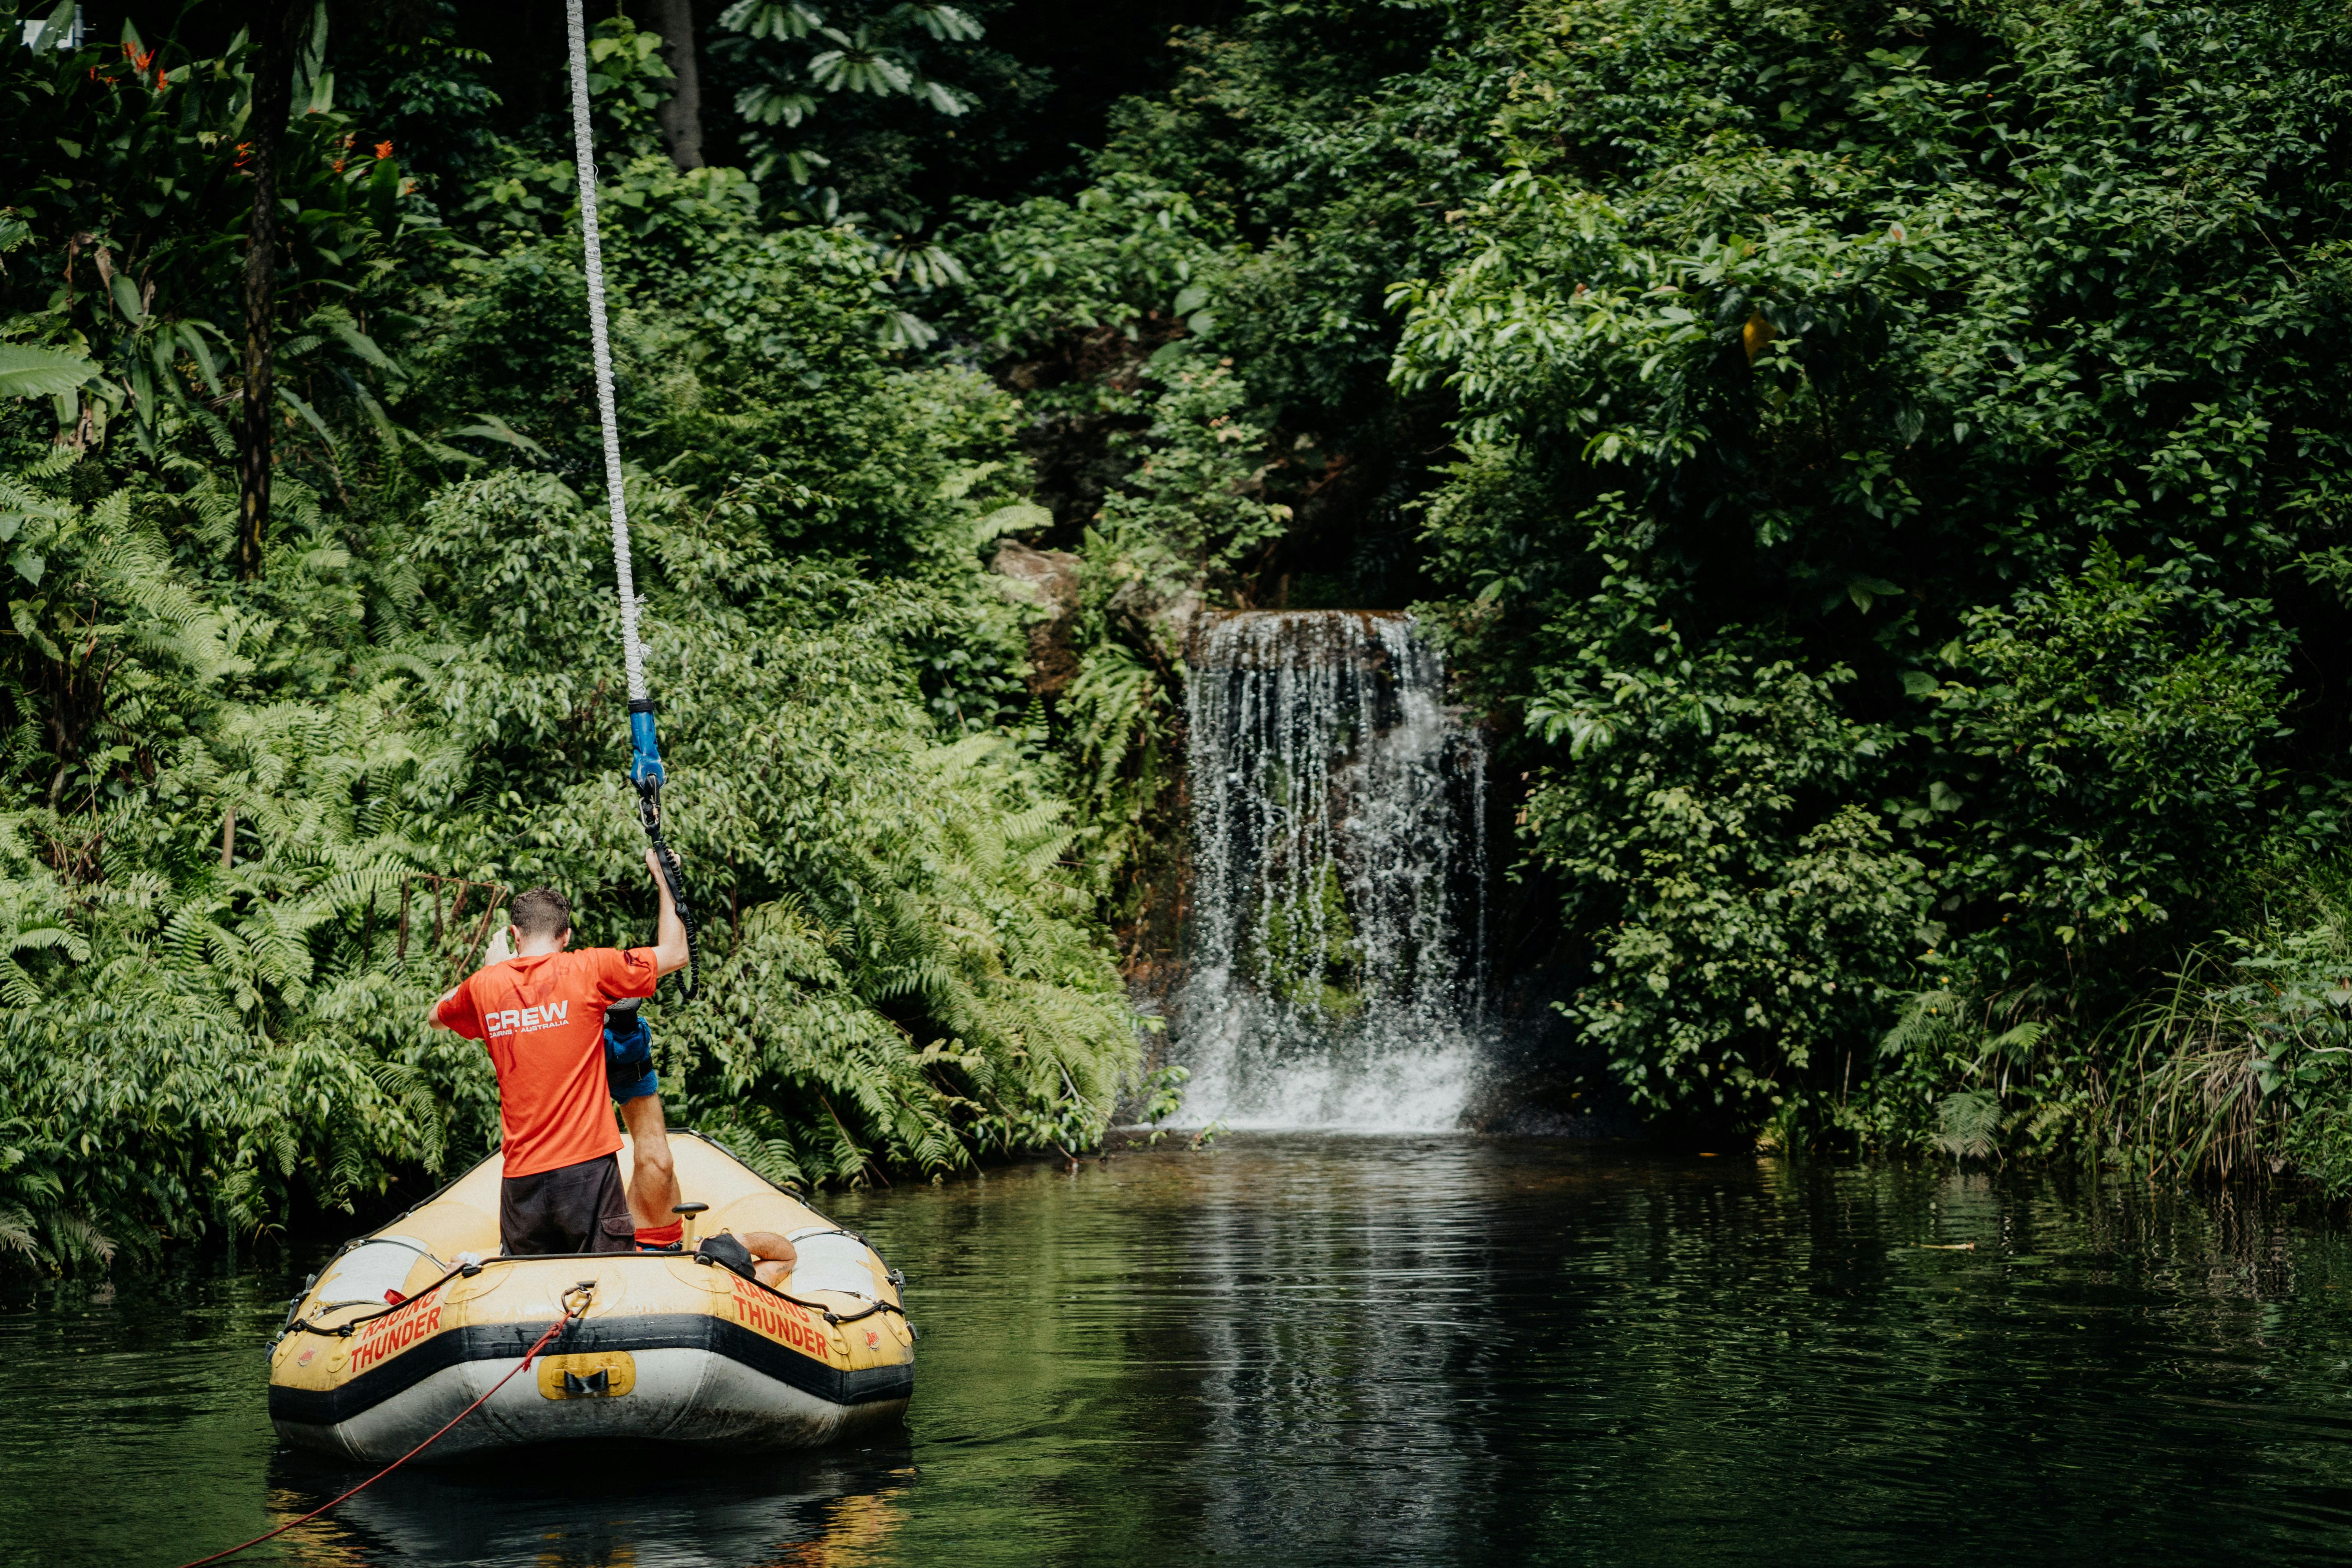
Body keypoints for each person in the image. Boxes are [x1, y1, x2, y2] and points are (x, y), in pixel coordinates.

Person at [429, 851, 689, 1256]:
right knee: (606, 1288)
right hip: (586, 1174)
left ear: (514, 935)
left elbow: (435, 1017)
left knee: (528, 1298)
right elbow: (675, 953)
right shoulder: (587, 968)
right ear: (565, 936)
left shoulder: (485, 986)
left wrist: (489, 970)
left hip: (521, 1181)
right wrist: (664, 879)